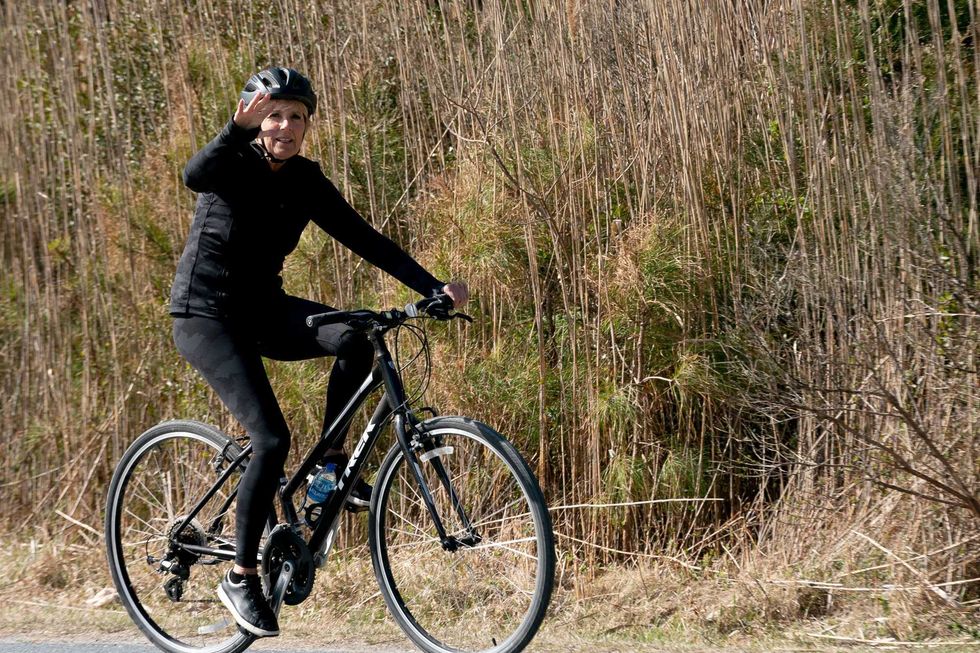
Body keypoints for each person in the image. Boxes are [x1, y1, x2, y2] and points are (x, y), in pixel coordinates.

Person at [169, 66, 467, 638]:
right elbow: (193, 175)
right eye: (274, 114)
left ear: (308, 125)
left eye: (297, 117)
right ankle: (239, 573)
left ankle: (330, 472)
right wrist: (235, 131)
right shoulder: (230, 162)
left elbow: (365, 238)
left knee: (356, 335)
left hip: (263, 308)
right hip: (206, 316)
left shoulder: (305, 179)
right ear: (256, 117)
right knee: (271, 439)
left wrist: (432, 288)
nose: (285, 126)